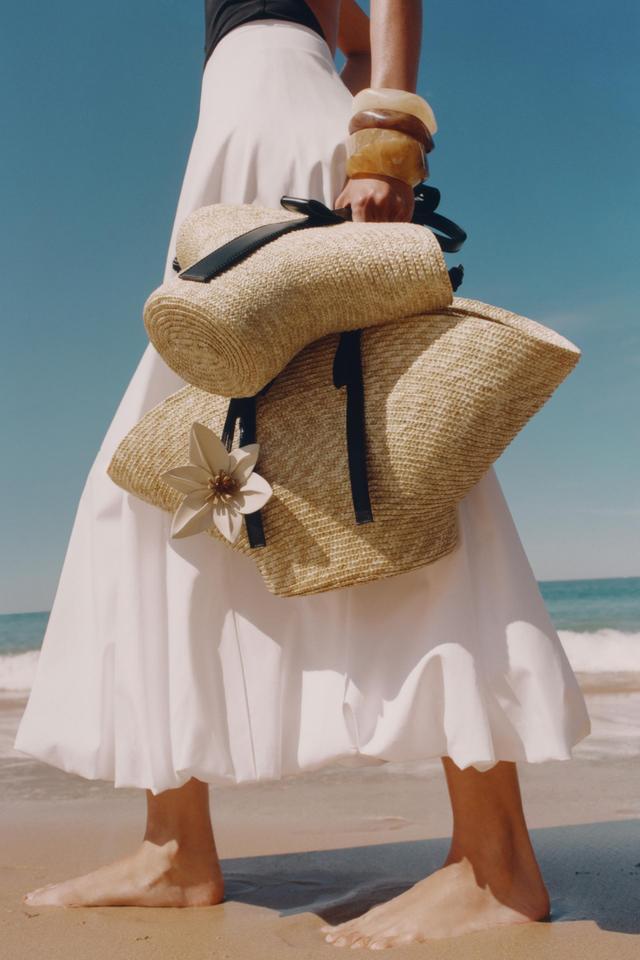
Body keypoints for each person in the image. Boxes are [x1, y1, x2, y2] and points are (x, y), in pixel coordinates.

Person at [15, 0, 591, 948]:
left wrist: (384, 133)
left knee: (375, 442)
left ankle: (498, 861)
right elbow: (354, 33)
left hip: (283, 141)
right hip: (230, 147)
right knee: (172, 474)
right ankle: (175, 847)